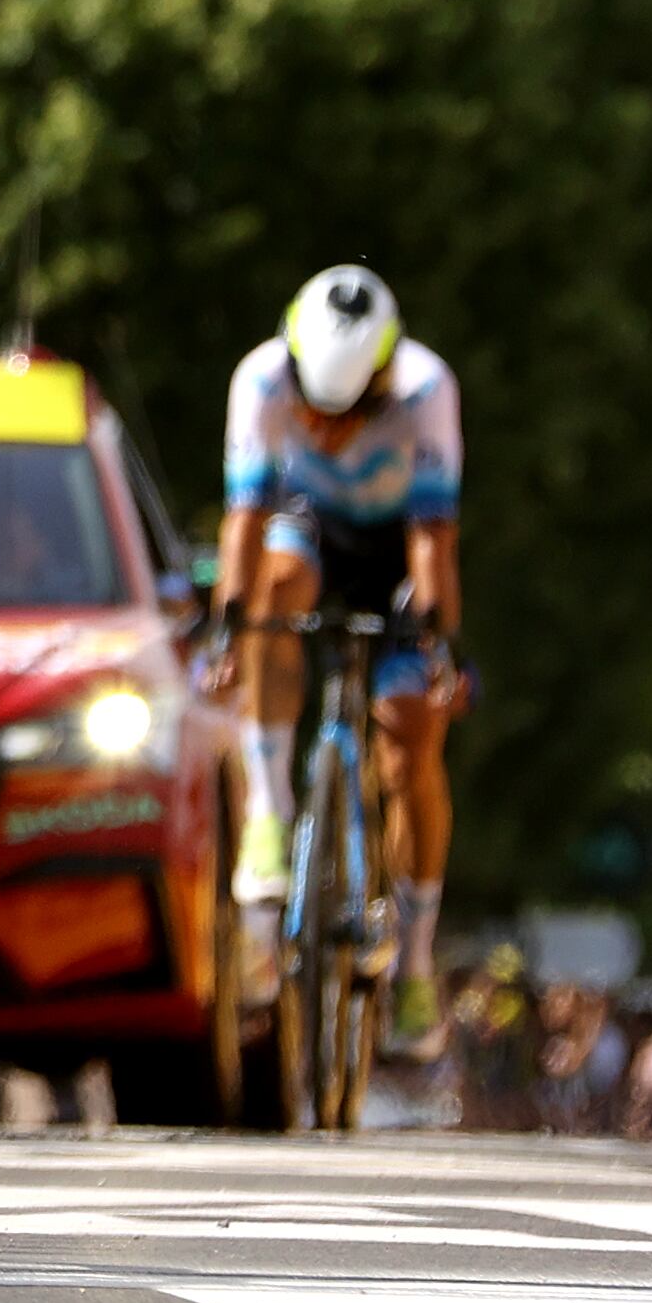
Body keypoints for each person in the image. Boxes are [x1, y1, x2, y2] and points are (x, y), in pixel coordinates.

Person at [214, 263, 468, 1046]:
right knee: (273, 588)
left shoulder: (427, 391)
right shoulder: (260, 379)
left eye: (348, 413)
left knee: (411, 746)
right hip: (309, 525)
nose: (325, 430)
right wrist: (228, 627)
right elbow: (244, 520)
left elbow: (433, 544)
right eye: (313, 412)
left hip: (396, 549)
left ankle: (417, 962)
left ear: (384, 380)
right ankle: (269, 806)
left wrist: (439, 649)